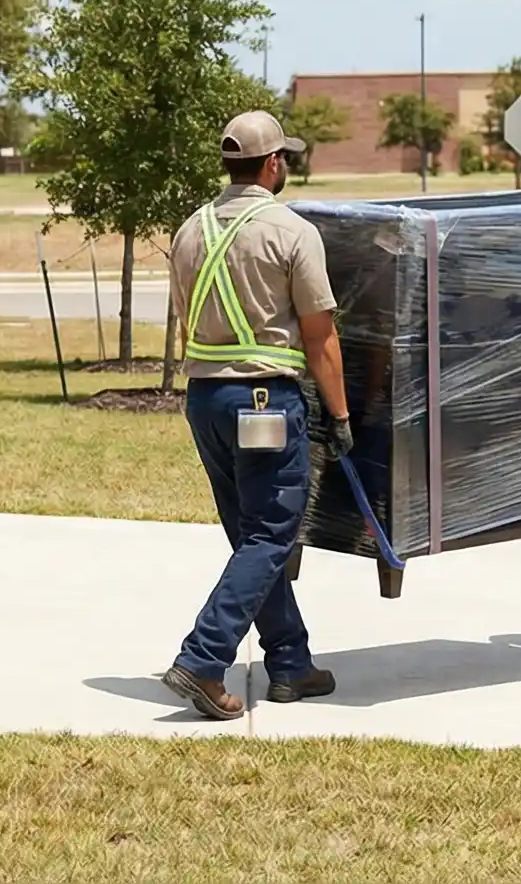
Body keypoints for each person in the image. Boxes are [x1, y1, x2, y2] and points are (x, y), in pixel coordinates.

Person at [159, 110, 354, 720]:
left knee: (252, 537)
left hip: (206, 400)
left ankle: (290, 663)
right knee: (271, 535)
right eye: (285, 158)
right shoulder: (290, 231)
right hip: (264, 401)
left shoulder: (190, 230)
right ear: (273, 164)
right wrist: (341, 415)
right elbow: (320, 336)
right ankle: (203, 657)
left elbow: (182, 318)